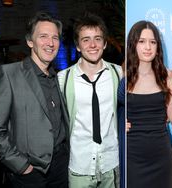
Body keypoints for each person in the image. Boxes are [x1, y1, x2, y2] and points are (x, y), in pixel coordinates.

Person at [0, 12, 69, 188]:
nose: (50, 43)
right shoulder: (8, 74)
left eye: (55, 37)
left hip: (61, 167)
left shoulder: (59, 77)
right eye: (43, 36)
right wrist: (22, 167)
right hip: (29, 173)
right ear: (30, 41)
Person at [57, 13, 122, 188]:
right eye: (86, 40)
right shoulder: (63, 78)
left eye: (97, 39)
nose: (92, 45)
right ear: (78, 46)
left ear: (105, 43)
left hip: (111, 164)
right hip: (80, 166)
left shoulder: (119, 74)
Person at [127, 20, 172, 188]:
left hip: (161, 156)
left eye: (152, 42)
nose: (148, 47)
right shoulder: (122, 75)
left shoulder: (166, 76)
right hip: (132, 157)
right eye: (142, 41)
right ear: (133, 44)